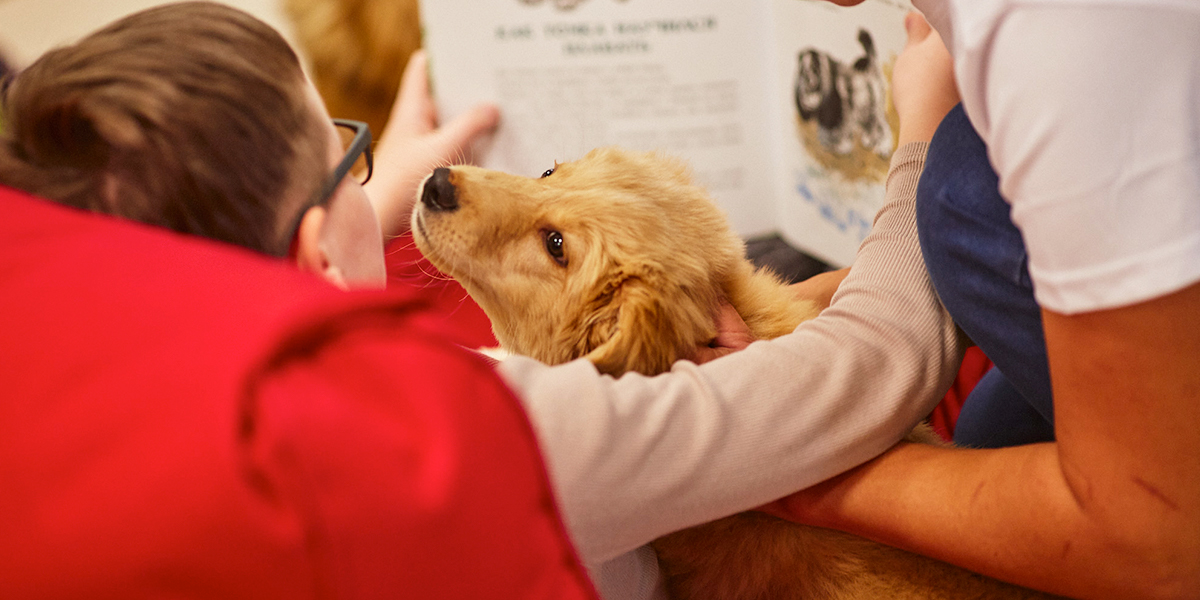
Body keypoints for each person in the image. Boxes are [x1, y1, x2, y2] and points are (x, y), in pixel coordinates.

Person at [0, 3, 967, 599]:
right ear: (315, 258)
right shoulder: (500, 434)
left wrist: (368, 203)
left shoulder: (87, 376)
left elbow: (255, 268)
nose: (374, 173)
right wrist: (921, 135)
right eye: (348, 150)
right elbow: (875, 365)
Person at [767, 3, 1200, 598]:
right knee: (996, 432)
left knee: (964, 191)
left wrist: (804, 473)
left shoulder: (1055, 33)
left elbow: (1159, 546)